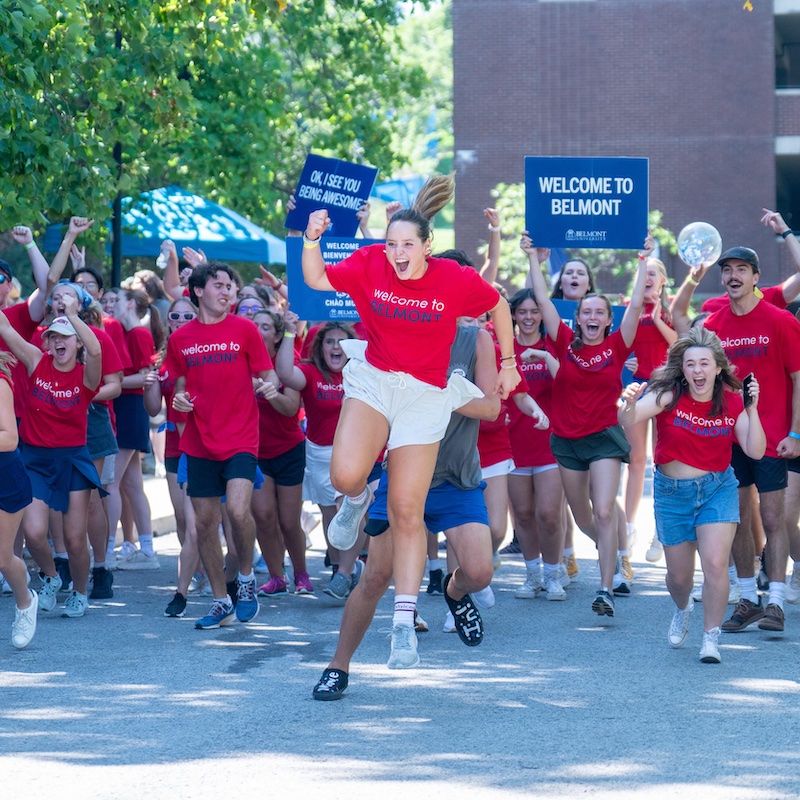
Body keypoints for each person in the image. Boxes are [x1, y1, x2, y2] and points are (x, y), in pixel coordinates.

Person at [301, 175, 520, 668]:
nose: (398, 253)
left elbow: (500, 305)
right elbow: (316, 279)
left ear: (427, 248)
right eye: (391, 244)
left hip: (425, 395)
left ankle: (403, 626)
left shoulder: (454, 279)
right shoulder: (369, 264)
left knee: (405, 508)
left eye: (407, 245)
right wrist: (311, 239)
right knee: (344, 475)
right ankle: (355, 501)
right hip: (376, 380)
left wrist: (507, 362)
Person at [312, 321, 500, 696]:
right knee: (377, 578)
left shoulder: (475, 338)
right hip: (401, 476)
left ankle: (455, 592)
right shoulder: (399, 330)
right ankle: (338, 665)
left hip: (455, 477)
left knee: (480, 573)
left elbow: (491, 407)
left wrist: (439, 390)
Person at [521, 229, 653, 618]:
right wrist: (533, 257)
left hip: (603, 438)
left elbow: (634, 309)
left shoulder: (617, 345)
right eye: (586, 312)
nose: (592, 316)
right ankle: (613, 550)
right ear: (576, 318)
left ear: (608, 321)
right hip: (566, 440)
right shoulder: (562, 342)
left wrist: (643, 260)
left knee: (606, 511)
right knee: (583, 519)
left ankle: (606, 587)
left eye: (599, 312)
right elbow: (543, 298)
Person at [672, 235, 800, 634]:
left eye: (741, 270)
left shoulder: (781, 320)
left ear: (756, 277)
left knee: (772, 516)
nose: (732, 276)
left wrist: (796, 432)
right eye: (726, 270)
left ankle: (775, 601)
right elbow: (695, 378)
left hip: (775, 437)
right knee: (738, 518)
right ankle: (747, 598)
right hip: (727, 441)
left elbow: (799, 379)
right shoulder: (712, 327)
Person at [619, 327, 766, 663]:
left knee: (715, 563)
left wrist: (753, 408)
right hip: (673, 494)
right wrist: (628, 404)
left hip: (717, 488)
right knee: (679, 578)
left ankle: (711, 638)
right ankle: (682, 607)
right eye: (691, 364)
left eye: (704, 363)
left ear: (717, 368)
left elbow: (756, 451)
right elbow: (629, 417)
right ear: (682, 369)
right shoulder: (669, 394)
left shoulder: (731, 400)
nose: (698, 370)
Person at [165, 261, 279, 630]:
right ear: (198, 291)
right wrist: (179, 400)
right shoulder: (180, 338)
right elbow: (178, 386)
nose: (227, 291)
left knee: (239, 511)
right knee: (203, 522)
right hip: (198, 442)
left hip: (242, 437)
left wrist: (271, 385)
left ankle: (245, 579)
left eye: (230, 285)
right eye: (218, 285)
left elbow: (268, 373)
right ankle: (219, 599)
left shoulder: (245, 330)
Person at [0, 294, 103, 618]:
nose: (59, 342)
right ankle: (53, 579)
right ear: (47, 343)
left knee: (74, 539)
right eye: (53, 337)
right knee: (33, 532)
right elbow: (4, 327)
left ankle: (81, 591)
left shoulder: (87, 375)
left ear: (77, 343)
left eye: (65, 338)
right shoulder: (36, 361)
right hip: (34, 459)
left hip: (72, 459)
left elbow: (97, 349)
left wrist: (72, 316)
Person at [274, 312, 364, 599]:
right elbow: (285, 374)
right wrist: (290, 332)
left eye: (342, 342)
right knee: (329, 514)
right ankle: (340, 566)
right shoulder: (311, 372)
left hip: (354, 453)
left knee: (346, 512)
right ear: (320, 347)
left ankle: (347, 571)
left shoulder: (363, 372)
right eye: (330, 342)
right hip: (318, 453)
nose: (336, 347)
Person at [504, 289, 566, 601]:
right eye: (522, 312)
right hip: (514, 443)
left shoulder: (551, 347)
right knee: (524, 514)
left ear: (542, 315)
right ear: (513, 315)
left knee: (549, 514)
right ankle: (532, 575)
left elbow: (569, 384)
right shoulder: (505, 349)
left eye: (534, 311)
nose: (529, 317)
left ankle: (554, 574)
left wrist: (546, 357)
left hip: (550, 443)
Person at [248, 309, 314, 596]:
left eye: (264, 326)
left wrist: (268, 392)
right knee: (263, 515)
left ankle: (301, 573)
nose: (257, 330)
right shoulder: (240, 362)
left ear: (276, 336)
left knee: (288, 520)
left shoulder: (286, 363)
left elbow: (291, 409)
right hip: (252, 449)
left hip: (288, 447)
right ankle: (277, 576)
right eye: (253, 325)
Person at [144, 297, 200, 617]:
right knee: (182, 519)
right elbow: (153, 409)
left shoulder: (204, 350)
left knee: (196, 522)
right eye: (174, 315)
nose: (179, 319)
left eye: (186, 315)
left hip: (205, 446)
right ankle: (200, 569)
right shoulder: (160, 359)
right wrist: (150, 385)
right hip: (174, 446)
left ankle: (189, 581)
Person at [624, 257, 677, 564]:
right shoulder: (628, 308)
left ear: (662, 281)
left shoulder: (671, 311)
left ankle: (660, 531)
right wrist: (625, 362)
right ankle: (628, 530)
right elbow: (618, 344)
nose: (647, 277)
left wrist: (657, 316)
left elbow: (680, 344)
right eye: (643, 272)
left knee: (663, 459)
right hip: (638, 387)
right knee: (635, 459)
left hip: (666, 387)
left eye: (652, 274)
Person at [107, 287, 163, 570]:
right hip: (125, 409)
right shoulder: (126, 332)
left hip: (131, 409)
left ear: (130, 305)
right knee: (131, 484)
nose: (111, 305)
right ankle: (146, 550)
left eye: (117, 300)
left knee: (112, 483)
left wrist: (108, 383)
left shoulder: (139, 333)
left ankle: (107, 550)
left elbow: (145, 377)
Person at [0, 350, 36, 647]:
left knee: (3, 557)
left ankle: (25, 602)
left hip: (5, 479)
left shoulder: (0, 382)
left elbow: (10, 438)